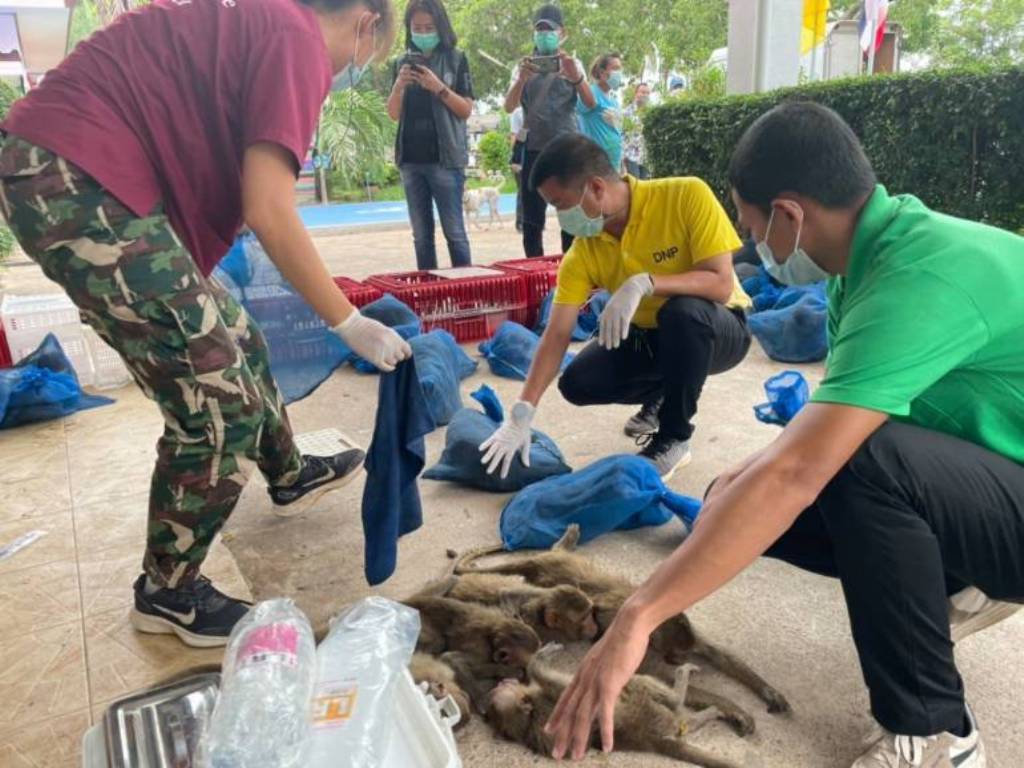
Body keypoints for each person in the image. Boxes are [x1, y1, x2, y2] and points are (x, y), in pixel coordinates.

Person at [542, 103, 1024, 767]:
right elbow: (832, 422)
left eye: (749, 224)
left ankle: (939, 732)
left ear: (791, 215)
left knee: (850, 466)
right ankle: (953, 579)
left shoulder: (919, 277)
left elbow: (811, 467)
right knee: (737, 498)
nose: (749, 243)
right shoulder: (860, 265)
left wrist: (638, 615)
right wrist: (743, 478)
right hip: (1001, 472)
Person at [0, 0, 412, 648]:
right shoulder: (298, 38)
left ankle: (288, 471)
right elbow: (271, 209)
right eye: (368, 54)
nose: (353, 69)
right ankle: (169, 590)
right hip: (78, 175)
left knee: (237, 335)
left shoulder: (265, 24)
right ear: (367, 21)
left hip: (79, 169)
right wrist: (347, 319)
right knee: (220, 404)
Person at [480, 134, 751, 480]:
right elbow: (558, 331)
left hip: (718, 327)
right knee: (578, 382)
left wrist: (647, 282)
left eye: (561, 204)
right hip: (650, 337)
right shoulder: (585, 249)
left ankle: (673, 437)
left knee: (681, 313)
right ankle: (666, 393)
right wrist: (522, 412)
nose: (561, 216)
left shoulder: (684, 195)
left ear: (595, 188)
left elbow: (720, 283)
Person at [387, 0, 474, 270]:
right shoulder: (401, 62)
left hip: (445, 160)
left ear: (441, 27)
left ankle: (466, 293)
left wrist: (439, 87)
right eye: (417, 28)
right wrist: (400, 86)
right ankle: (430, 296)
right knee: (421, 237)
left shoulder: (456, 59)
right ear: (409, 29)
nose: (423, 33)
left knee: (455, 233)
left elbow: (466, 110)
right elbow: (393, 113)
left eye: (429, 27)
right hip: (411, 161)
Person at [504, 3, 596, 258]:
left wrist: (575, 77)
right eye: (539, 30)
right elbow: (509, 106)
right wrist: (522, 79)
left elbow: (590, 103)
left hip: (567, 150)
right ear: (534, 34)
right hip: (534, 150)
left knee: (571, 216)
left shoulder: (572, 63)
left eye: (549, 30)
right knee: (532, 219)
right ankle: (535, 268)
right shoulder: (523, 67)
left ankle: (572, 267)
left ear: (562, 33)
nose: (544, 35)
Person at [576, 53, 625, 173]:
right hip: (595, 163)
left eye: (620, 68)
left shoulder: (614, 101)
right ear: (602, 73)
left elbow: (617, 133)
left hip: (614, 163)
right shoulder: (590, 94)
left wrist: (622, 164)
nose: (619, 73)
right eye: (615, 69)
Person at [623, 82, 651, 179]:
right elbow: (622, 134)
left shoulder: (650, 113)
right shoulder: (626, 112)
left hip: (645, 157)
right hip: (631, 156)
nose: (645, 95)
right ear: (636, 93)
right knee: (635, 186)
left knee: (645, 187)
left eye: (647, 93)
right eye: (643, 92)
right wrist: (623, 157)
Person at [510, 106, 527, 232]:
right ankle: (520, 222)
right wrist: (515, 158)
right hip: (522, 155)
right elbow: (515, 136)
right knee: (522, 190)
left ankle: (535, 220)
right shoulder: (518, 112)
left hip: (539, 153)